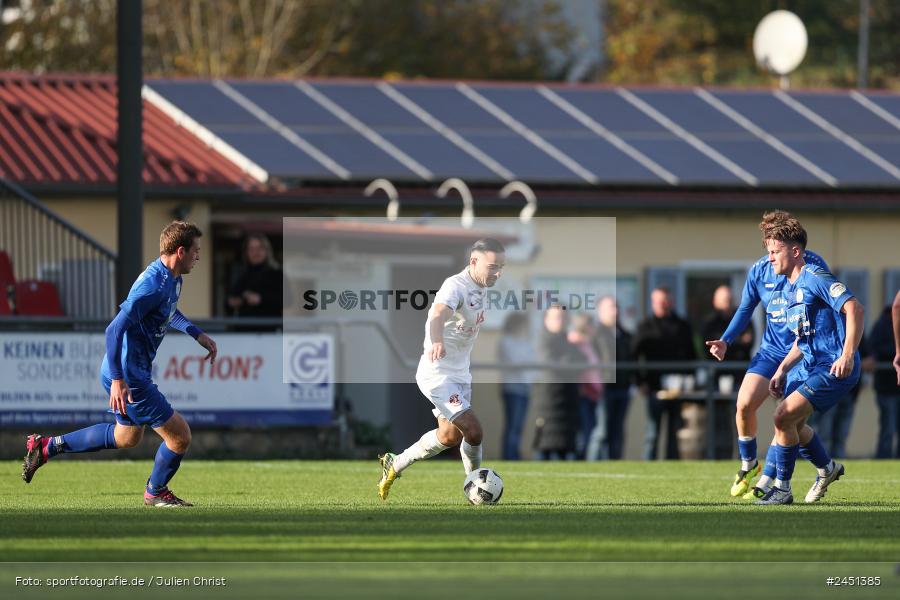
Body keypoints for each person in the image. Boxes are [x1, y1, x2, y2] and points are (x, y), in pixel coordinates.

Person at [22, 221, 217, 507]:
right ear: (180, 251)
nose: (198, 256)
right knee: (180, 437)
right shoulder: (153, 285)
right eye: (196, 251)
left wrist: (195, 333)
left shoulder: (171, 278)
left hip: (124, 370)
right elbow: (113, 330)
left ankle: (47, 446)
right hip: (129, 374)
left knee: (126, 436)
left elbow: (168, 310)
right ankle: (156, 491)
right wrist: (118, 379)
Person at [705, 210, 833, 500]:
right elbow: (745, 309)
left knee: (787, 420)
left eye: (775, 245)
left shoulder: (811, 266)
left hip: (801, 354)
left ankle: (772, 481)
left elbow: (835, 305)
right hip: (771, 351)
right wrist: (726, 340)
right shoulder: (760, 270)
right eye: (768, 245)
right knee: (744, 405)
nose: (771, 252)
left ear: (791, 245)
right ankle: (750, 464)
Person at [377, 239, 505, 500]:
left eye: (501, 267)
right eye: (492, 267)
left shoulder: (482, 288)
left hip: (460, 374)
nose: (498, 273)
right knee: (474, 430)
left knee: (449, 437)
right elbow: (436, 314)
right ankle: (477, 487)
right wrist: (436, 340)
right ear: (473, 262)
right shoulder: (455, 286)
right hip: (437, 374)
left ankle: (396, 462)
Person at [757, 219, 864, 505]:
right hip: (813, 365)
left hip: (834, 365)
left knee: (783, 416)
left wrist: (847, 354)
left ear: (795, 252)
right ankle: (827, 469)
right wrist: (782, 368)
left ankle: (781, 488)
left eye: (774, 252)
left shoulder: (815, 276)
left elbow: (854, 308)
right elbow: (803, 339)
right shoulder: (791, 290)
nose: (769, 259)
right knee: (792, 424)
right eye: (768, 252)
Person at [632, 287, 696, 460]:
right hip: (654, 387)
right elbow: (634, 356)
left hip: (677, 387)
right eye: (659, 301)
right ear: (653, 303)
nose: (663, 304)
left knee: (674, 432)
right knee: (652, 433)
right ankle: (648, 468)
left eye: (666, 300)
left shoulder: (682, 326)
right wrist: (640, 382)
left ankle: (671, 467)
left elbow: (692, 355)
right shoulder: (644, 326)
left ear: (671, 301)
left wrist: (691, 380)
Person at [587, 295, 633, 460]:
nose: (615, 311)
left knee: (618, 431)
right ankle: (593, 467)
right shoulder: (595, 335)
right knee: (601, 431)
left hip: (623, 388)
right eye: (610, 307)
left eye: (616, 307)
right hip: (604, 390)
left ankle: (614, 465)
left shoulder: (625, 335)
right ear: (600, 311)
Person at [533, 305, 581, 460]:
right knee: (545, 444)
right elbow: (549, 363)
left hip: (569, 398)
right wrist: (569, 361)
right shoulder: (542, 339)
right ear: (546, 319)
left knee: (565, 446)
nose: (560, 321)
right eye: (556, 317)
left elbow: (583, 361)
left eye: (563, 317)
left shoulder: (570, 340)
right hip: (549, 398)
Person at [497, 312, 537, 460]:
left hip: (526, 388)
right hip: (512, 388)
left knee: (520, 425)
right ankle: (509, 455)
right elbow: (516, 362)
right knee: (512, 425)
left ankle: (515, 453)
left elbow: (533, 363)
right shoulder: (506, 341)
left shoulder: (525, 342)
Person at [700, 284, 754, 386]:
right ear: (715, 302)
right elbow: (709, 345)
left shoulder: (743, 318)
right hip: (717, 372)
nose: (727, 304)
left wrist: (725, 342)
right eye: (724, 300)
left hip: (740, 371)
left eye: (729, 300)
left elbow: (749, 342)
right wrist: (738, 340)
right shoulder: (710, 322)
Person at [568, 313, 603, 459]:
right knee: (583, 431)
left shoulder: (588, 343)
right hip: (583, 393)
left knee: (590, 430)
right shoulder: (574, 342)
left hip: (593, 393)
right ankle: (578, 459)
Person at [226, 233, 283, 318]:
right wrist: (233, 302)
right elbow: (230, 299)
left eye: (259, 248)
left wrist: (261, 299)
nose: (255, 252)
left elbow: (287, 300)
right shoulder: (241, 274)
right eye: (251, 249)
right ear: (246, 252)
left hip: (269, 327)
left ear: (267, 250)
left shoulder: (277, 273)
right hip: (243, 327)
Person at [870, 304, 900, 457]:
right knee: (888, 427)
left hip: (895, 387)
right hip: (886, 387)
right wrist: (895, 351)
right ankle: (883, 456)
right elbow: (874, 349)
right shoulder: (881, 326)